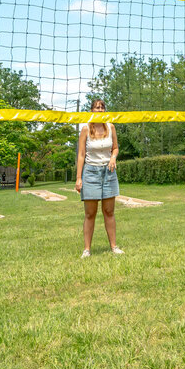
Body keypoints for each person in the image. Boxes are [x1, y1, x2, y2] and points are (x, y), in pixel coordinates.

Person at [75, 98, 122, 257]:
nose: (100, 110)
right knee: (90, 213)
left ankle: (114, 247)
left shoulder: (111, 127)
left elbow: (115, 148)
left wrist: (113, 157)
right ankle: (87, 249)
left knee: (109, 212)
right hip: (90, 172)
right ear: (92, 111)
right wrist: (79, 178)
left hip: (108, 172)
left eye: (102, 107)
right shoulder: (85, 129)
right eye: (97, 107)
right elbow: (81, 154)